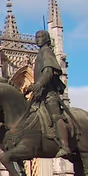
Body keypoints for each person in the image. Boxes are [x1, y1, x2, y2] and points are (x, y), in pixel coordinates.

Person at [28, 29, 72, 158]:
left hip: (49, 94)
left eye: (41, 36)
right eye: (36, 37)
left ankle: (65, 145)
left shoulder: (47, 51)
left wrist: (38, 85)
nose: (37, 39)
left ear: (46, 38)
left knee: (56, 117)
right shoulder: (40, 53)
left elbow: (48, 72)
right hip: (39, 94)